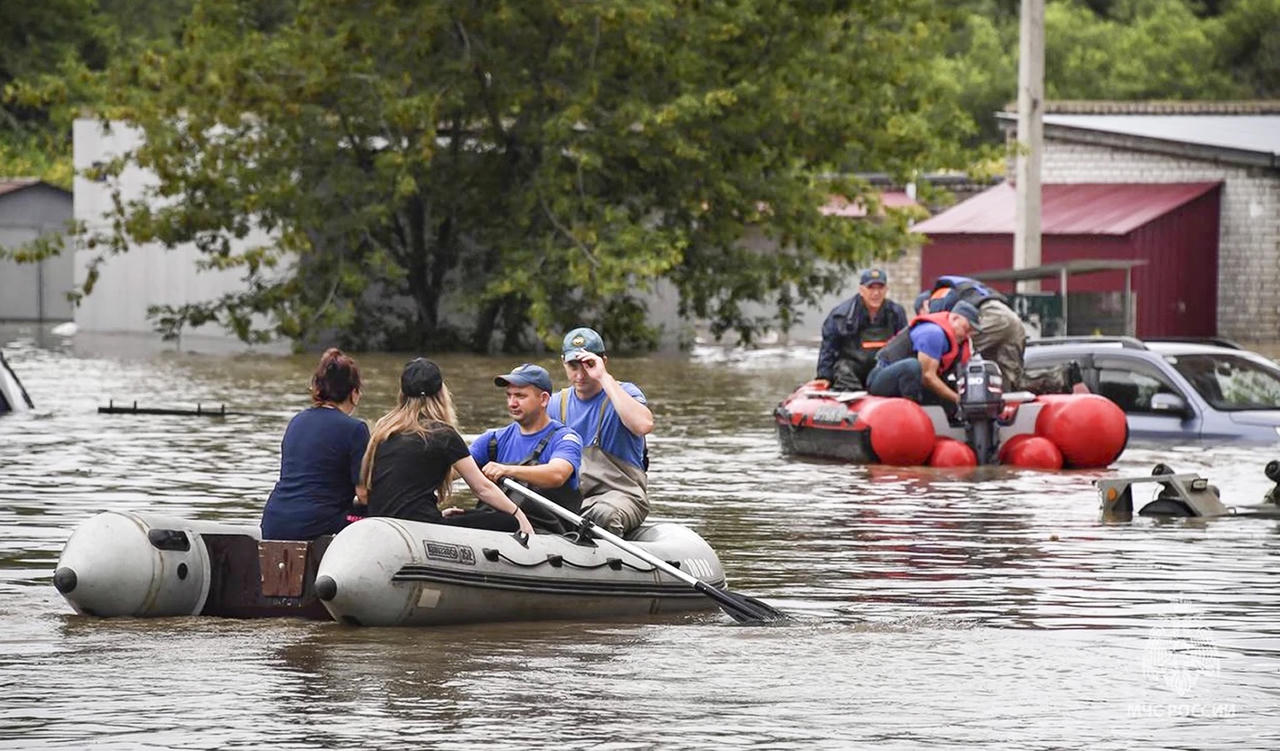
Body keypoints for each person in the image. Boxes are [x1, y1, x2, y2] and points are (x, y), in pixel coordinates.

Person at [360, 357, 535, 539]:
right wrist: (519, 516)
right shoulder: (443, 434)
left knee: (461, 514)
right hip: (419, 527)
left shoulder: (384, 429)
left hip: (381, 523)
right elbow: (482, 488)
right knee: (507, 521)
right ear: (441, 393)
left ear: (402, 393)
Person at [549, 327, 653, 537]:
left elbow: (643, 425)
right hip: (572, 501)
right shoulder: (555, 404)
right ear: (563, 363)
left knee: (603, 515)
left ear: (603, 362)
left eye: (588, 365)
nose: (580, 374)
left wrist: (604, 378)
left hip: (622, 496)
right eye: (573, 365)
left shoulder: (625, 393)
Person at [261, 348, 370, 540]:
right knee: (379, 516)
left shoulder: (296, 421)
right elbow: (364, 494)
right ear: (354, 393)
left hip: (273, 519)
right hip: (316, 524)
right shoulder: (356, 429)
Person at [469, 363, 584, 533]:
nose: (512, 403)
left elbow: (557, 474)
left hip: (547, 532)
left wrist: (507, 470)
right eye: (509, 396)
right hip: (499, 524)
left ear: (544, 399)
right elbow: (455, 469)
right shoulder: (493, 439)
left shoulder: (565, 438)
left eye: (520, 396)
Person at [928, 275, 1085, 394]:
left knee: (956, 349)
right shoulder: (963, 285)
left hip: (988, 317)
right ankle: (1064, 376)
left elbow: (943, 328)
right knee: (1009, 383)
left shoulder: (940, 294)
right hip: (1009, 319)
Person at [812, 268, 909, 391]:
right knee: (843, 368)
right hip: (852, 370)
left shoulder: (896, 313)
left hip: (881, 369)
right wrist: (824, 376)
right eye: (871, 288)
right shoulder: (841, 315)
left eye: (880, 288)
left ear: (886, 290)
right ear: (861, 290)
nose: (876, 293)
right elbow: (829, 348)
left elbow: (904, 346)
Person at [866, 301, 979, 406]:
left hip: (912, 383)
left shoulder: (960, 343)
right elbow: (927, 376)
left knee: (947, 388)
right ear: (954, 319)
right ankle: (912, 413)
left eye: (971, 332)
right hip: (880, 378)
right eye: (966, 329)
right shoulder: (933, 333)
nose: (967, 335)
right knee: (912, 366)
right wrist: (958, 399)